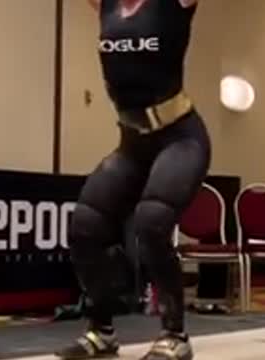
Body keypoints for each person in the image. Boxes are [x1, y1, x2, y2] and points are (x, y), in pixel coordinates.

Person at [56, 0, 208, 359]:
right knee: (86, 225)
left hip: (180, 138)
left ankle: (175, 335)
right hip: (131, 143)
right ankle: (101, 331)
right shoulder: (105, 4)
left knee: (152, 223)